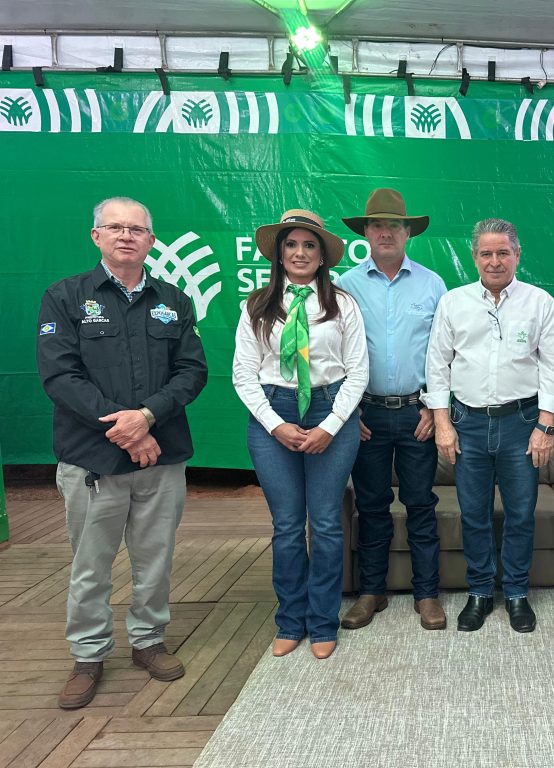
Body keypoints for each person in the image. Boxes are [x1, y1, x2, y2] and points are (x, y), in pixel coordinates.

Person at [37, 197, 208, 709]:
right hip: (93, 459)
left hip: (161, 456)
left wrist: (147, 417)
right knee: (91, 564)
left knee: (155, 558)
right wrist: (127, 428)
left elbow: (192, 372)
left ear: (151, 240)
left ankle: (148, 641)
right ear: (97, 236)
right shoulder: (65, 297)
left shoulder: (173, 300)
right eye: (115, 227)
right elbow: (60, 376)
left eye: (137, 229)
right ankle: (88, 655)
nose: (126, 236)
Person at [232, 209, 368, 660]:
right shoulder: (256, 305)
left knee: (326, 524)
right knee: (288, 526)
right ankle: (291, 620)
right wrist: (275, 424)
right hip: (273, 413)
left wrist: (330, 426)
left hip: (332, 410)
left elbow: (358, 372)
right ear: (278, 253)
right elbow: (243, 374)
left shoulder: (343, 304)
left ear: (322, 255)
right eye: (291, 244)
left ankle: (323, 622)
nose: (300, 253)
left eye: (310, 245)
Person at [423, 218, 554, 633]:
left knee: (520, 513)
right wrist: (442, 423)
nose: (495, 261)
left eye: (503, 252)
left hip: (522, 422)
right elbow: (437, 364)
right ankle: (481, 592)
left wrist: (545, 426)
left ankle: (517, 593)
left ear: (517, 255)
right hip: (466, 422)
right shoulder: (454, 302)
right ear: (474, 257)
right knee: (474, 514)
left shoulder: (540, 303)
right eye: (486, 253)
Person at [337, 189, 447, 631]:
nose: (386, 232)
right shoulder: (345, 286)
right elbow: (335, 354)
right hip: (366, 416)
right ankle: (371, 592)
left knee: (420, 504)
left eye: (394, 225)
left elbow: (444, 353)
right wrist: (349, 413)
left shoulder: (432, 284)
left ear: (408, 232)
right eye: (377, 225)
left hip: (418, 414)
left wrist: (434, 408)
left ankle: (427, 594)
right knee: (372, 505)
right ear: (365, 232)